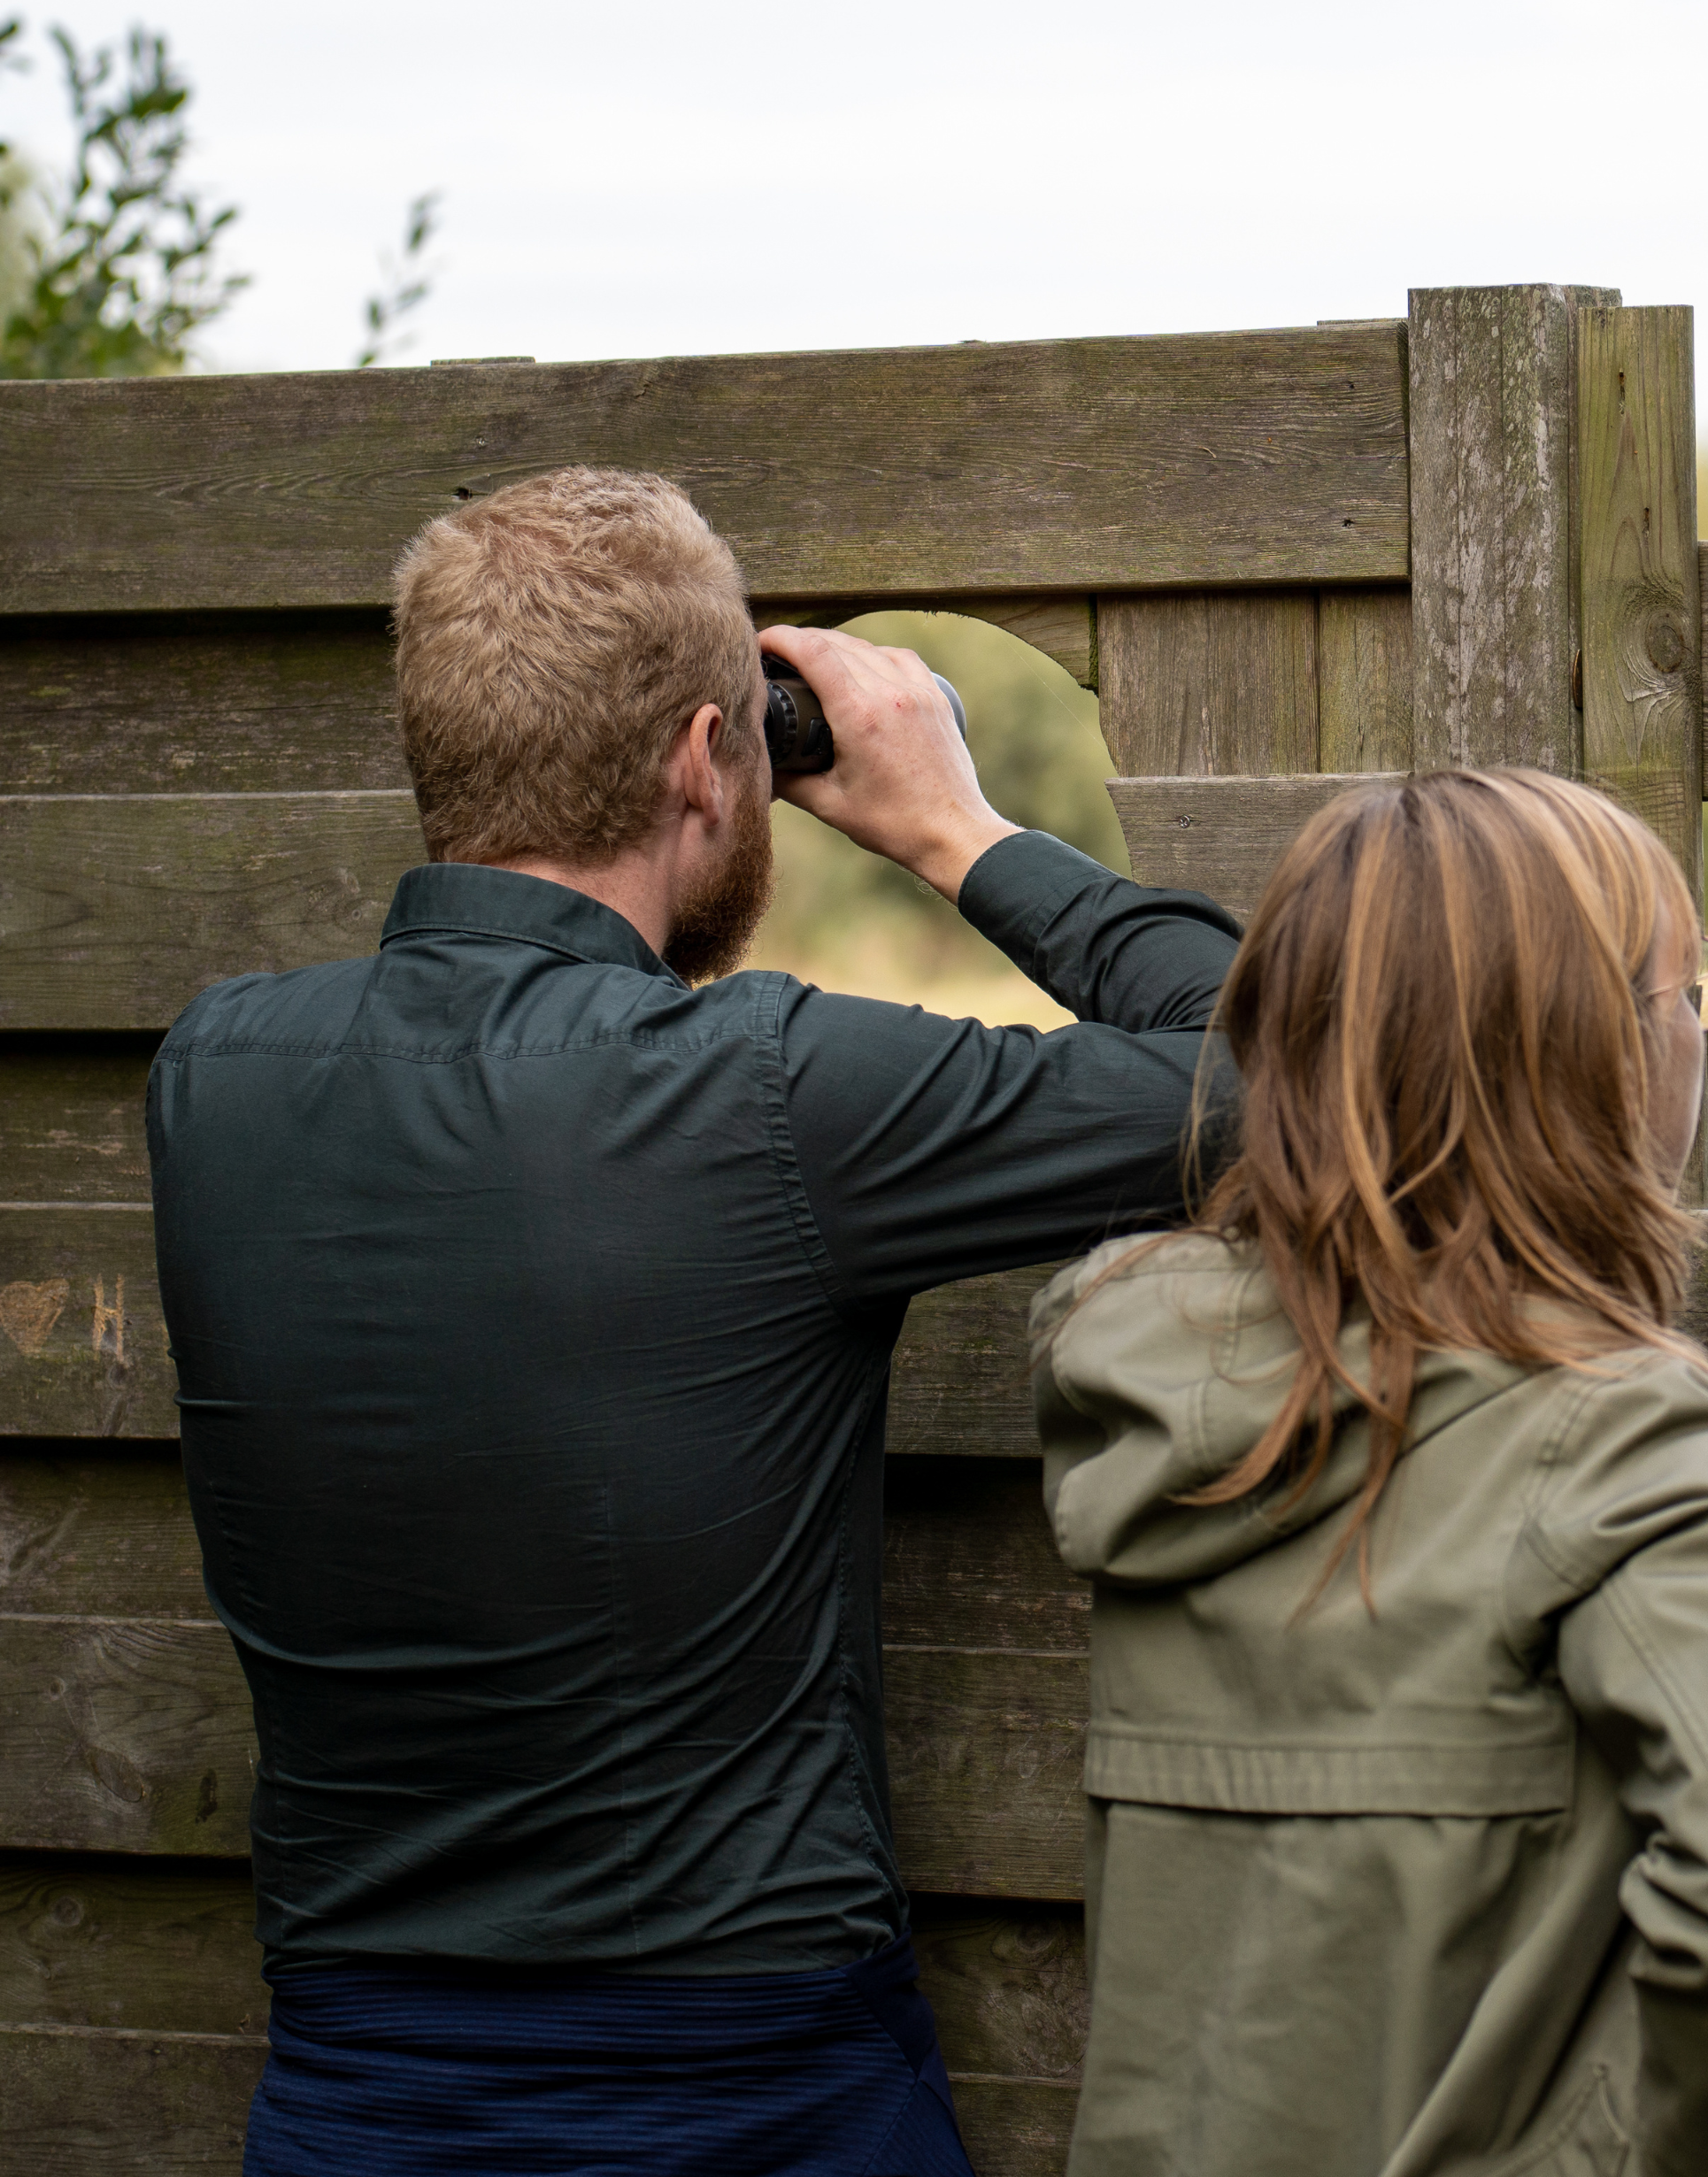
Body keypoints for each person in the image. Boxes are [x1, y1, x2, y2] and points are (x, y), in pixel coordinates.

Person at [148, 466, 1244, 2176]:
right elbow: (1281, 1077)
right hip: (753, 2095)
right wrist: (958, 826)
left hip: (350, 2094)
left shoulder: (215, 1072)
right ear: (702, 761)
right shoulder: (767, 1091)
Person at [1029, 768, 1708, 2177]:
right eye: (1690, 992)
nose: (1696, 1034)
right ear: (1597, 1051)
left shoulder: (1156, 1386)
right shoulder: (1622, 1436)